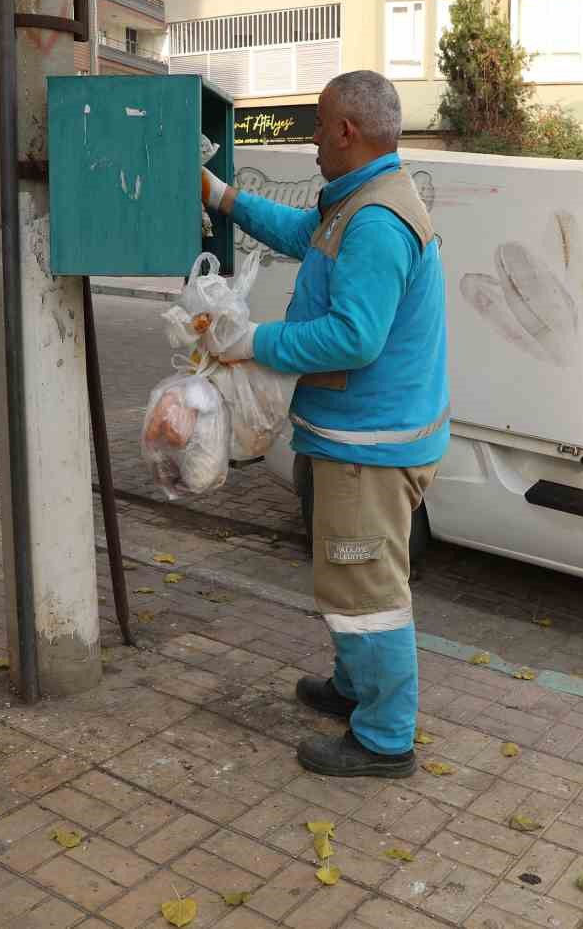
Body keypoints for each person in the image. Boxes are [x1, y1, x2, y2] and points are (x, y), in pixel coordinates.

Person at [198, 70, 449, 779]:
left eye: (317, 124)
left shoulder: (374, 220)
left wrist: (253, 343)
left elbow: (354, 337)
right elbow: (299, 230)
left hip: (369, 446)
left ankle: (384, 738)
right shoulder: (356, 203)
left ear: (346, 132)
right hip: (358, 433)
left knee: (366, 591)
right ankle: (353, 688)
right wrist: (221, 196)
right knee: (346, 578)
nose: (310, 138)